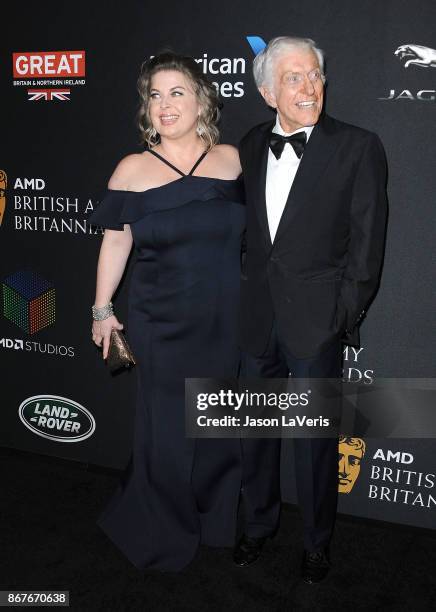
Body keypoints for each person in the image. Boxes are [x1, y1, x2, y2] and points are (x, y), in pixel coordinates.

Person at [235, 37, 387, 583]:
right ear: (266, 91)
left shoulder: (358, 146)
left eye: (315, 75)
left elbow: (368, 247)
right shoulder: (249, 145)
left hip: (316, 324)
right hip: (257, 319)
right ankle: (257, 527)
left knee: (315, 444)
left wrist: (341, 317)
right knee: (256, 433)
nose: (309, 87)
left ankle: (317, 541)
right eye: (294, 77)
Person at [89, 52, 244, 571]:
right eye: (155, 95)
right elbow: (115, 243)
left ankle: (216, 520)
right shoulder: (131, 169)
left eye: (177, 92)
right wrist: (101, 310)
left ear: (202, 100)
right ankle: (159, 531)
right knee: (166, 434)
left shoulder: (233, 160)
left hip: (223, 320)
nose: (165, 104)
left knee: (217, 427)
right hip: (160, 323)